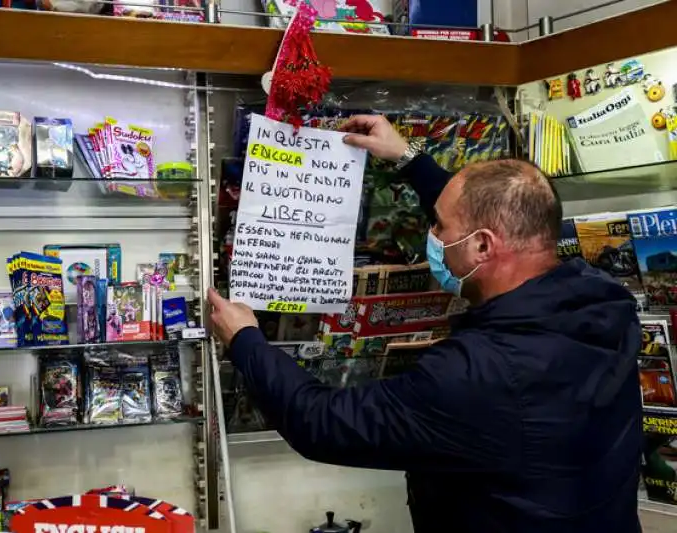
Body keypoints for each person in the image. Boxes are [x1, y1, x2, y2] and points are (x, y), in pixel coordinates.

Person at [208, 114, 642, 533]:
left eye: (438, 225)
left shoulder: (478, 375)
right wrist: (410, 158)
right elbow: (484, 216)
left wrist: (246, 340)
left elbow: (319, 421)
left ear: (482, 247)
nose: (432, 235)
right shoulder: (604, 301)